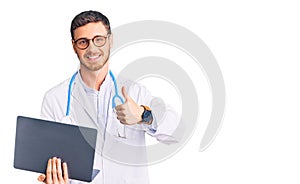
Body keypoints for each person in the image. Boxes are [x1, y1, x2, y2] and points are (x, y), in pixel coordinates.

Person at [37, 10, 179, 184]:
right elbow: (48, 162)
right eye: (83, 42)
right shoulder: (55, 99)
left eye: (99, 39)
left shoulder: (134, 92)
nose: (92, 48)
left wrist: (143, 115)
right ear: (74, 46)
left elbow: (176, 133)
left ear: (110, 41)